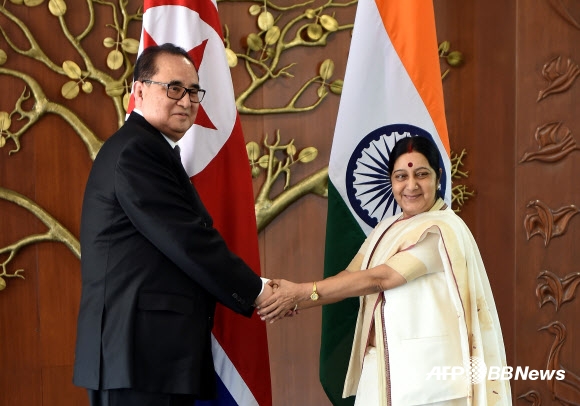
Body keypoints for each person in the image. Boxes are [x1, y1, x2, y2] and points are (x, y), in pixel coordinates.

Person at [73, 43, 272, 406]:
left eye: (193, 91)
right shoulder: (137, 150)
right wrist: (258, 291)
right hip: (137, 357)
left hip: (148, 358)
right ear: (139, 91)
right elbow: (186, 239)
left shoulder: (147, 147)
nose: (186, 100)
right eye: (174, 88)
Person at [258, 136, 512, 405]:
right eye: (401, 176)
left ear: (438, 177)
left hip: (426, 383)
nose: (411, 185)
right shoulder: (387, 228)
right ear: (391, 181)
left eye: (421, 174)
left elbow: (381, 278)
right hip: (380, 368)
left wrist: (299, 293)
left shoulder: (442, 229)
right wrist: (290, 299)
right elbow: (348, 278)